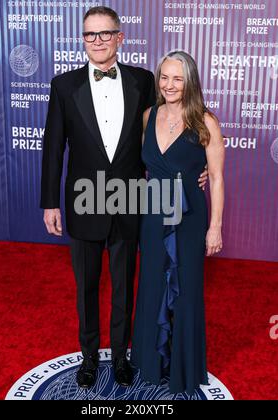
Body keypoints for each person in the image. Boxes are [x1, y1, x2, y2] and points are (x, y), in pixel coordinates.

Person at [41, 7, 208, 390]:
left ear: (120, 37)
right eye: (90, 35)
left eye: (105, 33)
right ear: (82, 39)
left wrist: (194, 167)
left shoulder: (142, 80)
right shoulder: (63, 85)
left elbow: (166, 129)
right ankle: (87, 357)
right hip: (84, 198)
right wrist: (49, 201)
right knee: (86, 285)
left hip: (130, 198)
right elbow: (53, 148)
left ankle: (120, 356)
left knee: (124, 283)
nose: (97, 41)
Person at [131, 51, 225, 396]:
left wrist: (214, 227)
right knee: (153, 284)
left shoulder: (206, 122)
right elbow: (146, 168)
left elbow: (215, 178)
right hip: (154, 215)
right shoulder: (147, 116)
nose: (169, 85)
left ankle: (182, 367)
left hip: (189, 219)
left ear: (190, 82)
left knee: (185, 290)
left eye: (177, 79)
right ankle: (152, 362)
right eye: (164, 77)